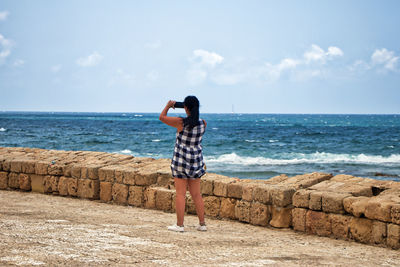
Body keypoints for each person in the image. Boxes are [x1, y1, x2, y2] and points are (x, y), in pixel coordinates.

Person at [159, 95, 207, 232]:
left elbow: (162, 117)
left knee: (180, 194)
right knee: (196, 194)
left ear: (185, 108)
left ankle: (180, 225)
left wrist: (168, 106)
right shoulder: (203, 123)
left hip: (181, 161)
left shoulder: (181, 122)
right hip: (196, 162)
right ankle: (202, 224)